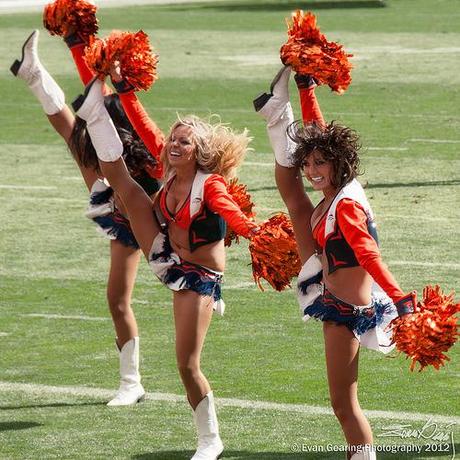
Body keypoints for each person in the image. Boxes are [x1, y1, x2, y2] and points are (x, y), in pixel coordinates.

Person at [72, 74, 258, 459]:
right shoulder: (171, 170)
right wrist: (123, 90)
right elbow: (142, 124)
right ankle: (95, 115)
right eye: (172, 138)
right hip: (165, 255)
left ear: (199, 150)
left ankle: (210, 440)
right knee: (123, 183)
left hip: (200, 279)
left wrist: (258, 233)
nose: (174, 144)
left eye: (184, 141)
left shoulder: (210, 186)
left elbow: (235, 218)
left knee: (187, 365)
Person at [254, 66, 416, 460]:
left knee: (344, 405)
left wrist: (401, 300)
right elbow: (321, 134)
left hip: (346, 309)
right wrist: (307, 84)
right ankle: (280, 112)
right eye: (308, 163)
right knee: (292, 193)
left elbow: (367, 254)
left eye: (319, 164)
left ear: (338, 162)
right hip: (327, 283)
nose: (311, 171)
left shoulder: (344, 205)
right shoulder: (342, 188)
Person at [10, 29, 165, 406]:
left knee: (153, 289)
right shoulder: (97, 155)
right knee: (116, 300)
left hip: (154, 226)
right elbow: (77, 115)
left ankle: (34, 75)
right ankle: (132, 382)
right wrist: (89, 53)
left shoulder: (146, 160)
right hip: (121, 212)